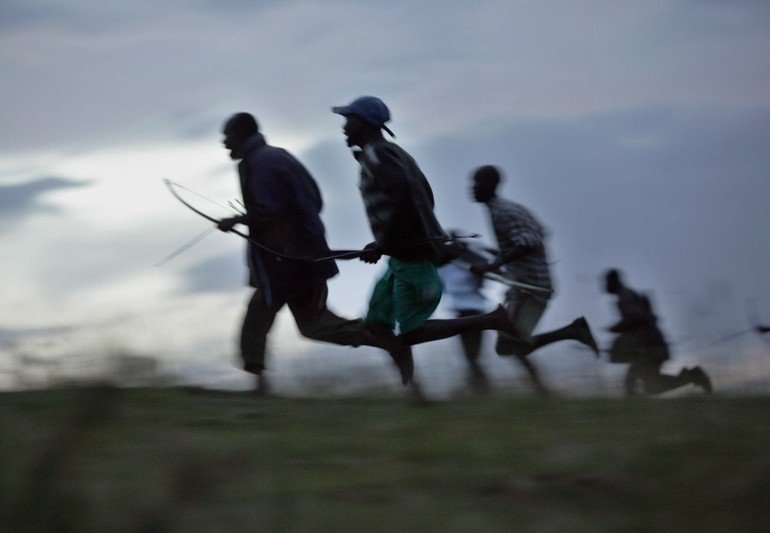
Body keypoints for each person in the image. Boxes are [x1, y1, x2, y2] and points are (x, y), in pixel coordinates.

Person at [217, 112, 411, 395]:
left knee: (260, 316)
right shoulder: (279, 156)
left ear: (242, 134)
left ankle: (260, 386)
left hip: (283, 263)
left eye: (229, 136)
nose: (225, 143)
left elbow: (269, 211)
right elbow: (314, 200)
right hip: (304, 258)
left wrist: (235, 221)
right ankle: (386, 340)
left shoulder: (257, 163)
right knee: (312, 324)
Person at [331, 96, 521, 363]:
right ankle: (414, 394)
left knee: (412, 332)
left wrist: (383, 243)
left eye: (349, 120)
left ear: (364, 123)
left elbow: (404, 199)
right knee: (377, 325)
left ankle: (493, 319)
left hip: (411, 258)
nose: (344, 127)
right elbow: (421, 199)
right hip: (402, 256)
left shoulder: (378, 155)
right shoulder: (392, 154)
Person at [469, 165, 599, 395]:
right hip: (525, 285)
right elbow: (538, 233)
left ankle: (571, 334)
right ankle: (543, 389)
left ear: (490, 185)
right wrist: (493, 256)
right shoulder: (506, 209)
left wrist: (493, 265)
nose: (472, 189)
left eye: (477, 183)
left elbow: (528, 242)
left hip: (531, 288)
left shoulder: (503, 211)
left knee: (511, 344)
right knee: (508, 345)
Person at [603, 268, 712, 396]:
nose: (605, 285)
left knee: (636, 381)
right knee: (649, 385)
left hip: (649, 346)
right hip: (650, 344)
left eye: (607, 282)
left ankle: (693, 376)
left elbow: (635, 317)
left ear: (613, 281)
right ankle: (692, 376)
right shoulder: (626, 295)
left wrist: (616, 328)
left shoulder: (625, 296)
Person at [437, 233, 492, 393]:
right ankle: (479, 386)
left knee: (472, 353)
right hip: (462, 312)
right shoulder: (447, 267)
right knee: (470, 354)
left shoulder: (471, 265)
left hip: (474, 310)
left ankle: (480, 386)